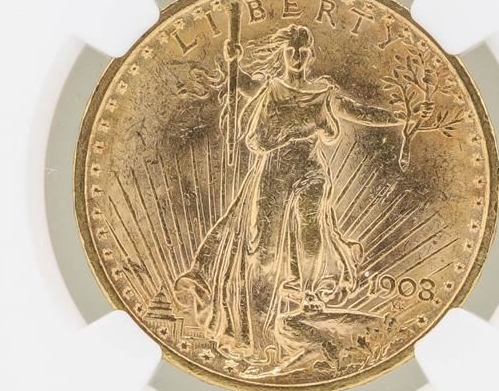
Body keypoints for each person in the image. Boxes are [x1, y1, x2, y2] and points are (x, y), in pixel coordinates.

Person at [174, 23, 406, 365]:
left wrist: (401, 117)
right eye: (291, 51)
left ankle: (310, 295)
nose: (297, 56)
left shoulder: (324, 94)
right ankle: (256, 327)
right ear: (284, 54)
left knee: (311, 228)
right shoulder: (272, 89)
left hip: (310, 170)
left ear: (310, 55)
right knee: (264, 253)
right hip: (273, 174)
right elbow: (243, 85)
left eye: (303, 51)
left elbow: (360, 112)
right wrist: (233, 63)